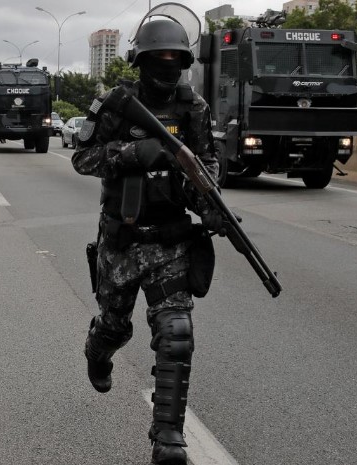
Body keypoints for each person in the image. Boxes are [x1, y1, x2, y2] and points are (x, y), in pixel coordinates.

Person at [72, 17, 226, 465]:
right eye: (158, 59)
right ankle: (97, 351)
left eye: (175, 60)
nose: (167, 67)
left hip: (170, 240)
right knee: (116, 326)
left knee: (176, 332)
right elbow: (81, 158)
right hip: (121, 241)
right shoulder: (118, 105)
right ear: (138, 60)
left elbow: (208, 162)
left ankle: (167, 439)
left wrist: (210, 200)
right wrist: (132, 153)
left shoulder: (192, 107)